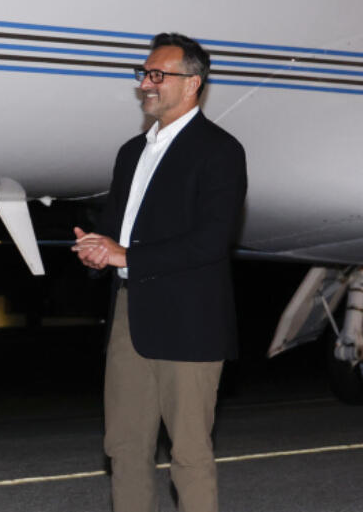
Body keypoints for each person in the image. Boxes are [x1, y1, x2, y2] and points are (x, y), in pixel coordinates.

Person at [73, 32, 246, 512]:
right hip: (130, 315)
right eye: (143, 74)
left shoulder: (219, 151)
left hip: (190, 323)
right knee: (124, 448)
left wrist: (124, 255)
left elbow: (211, 241)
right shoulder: (131, 152)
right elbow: (114, 230)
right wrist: (95, 252)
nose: (146, 84)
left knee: (188, 453)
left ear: (192, 84)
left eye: (158, 75)